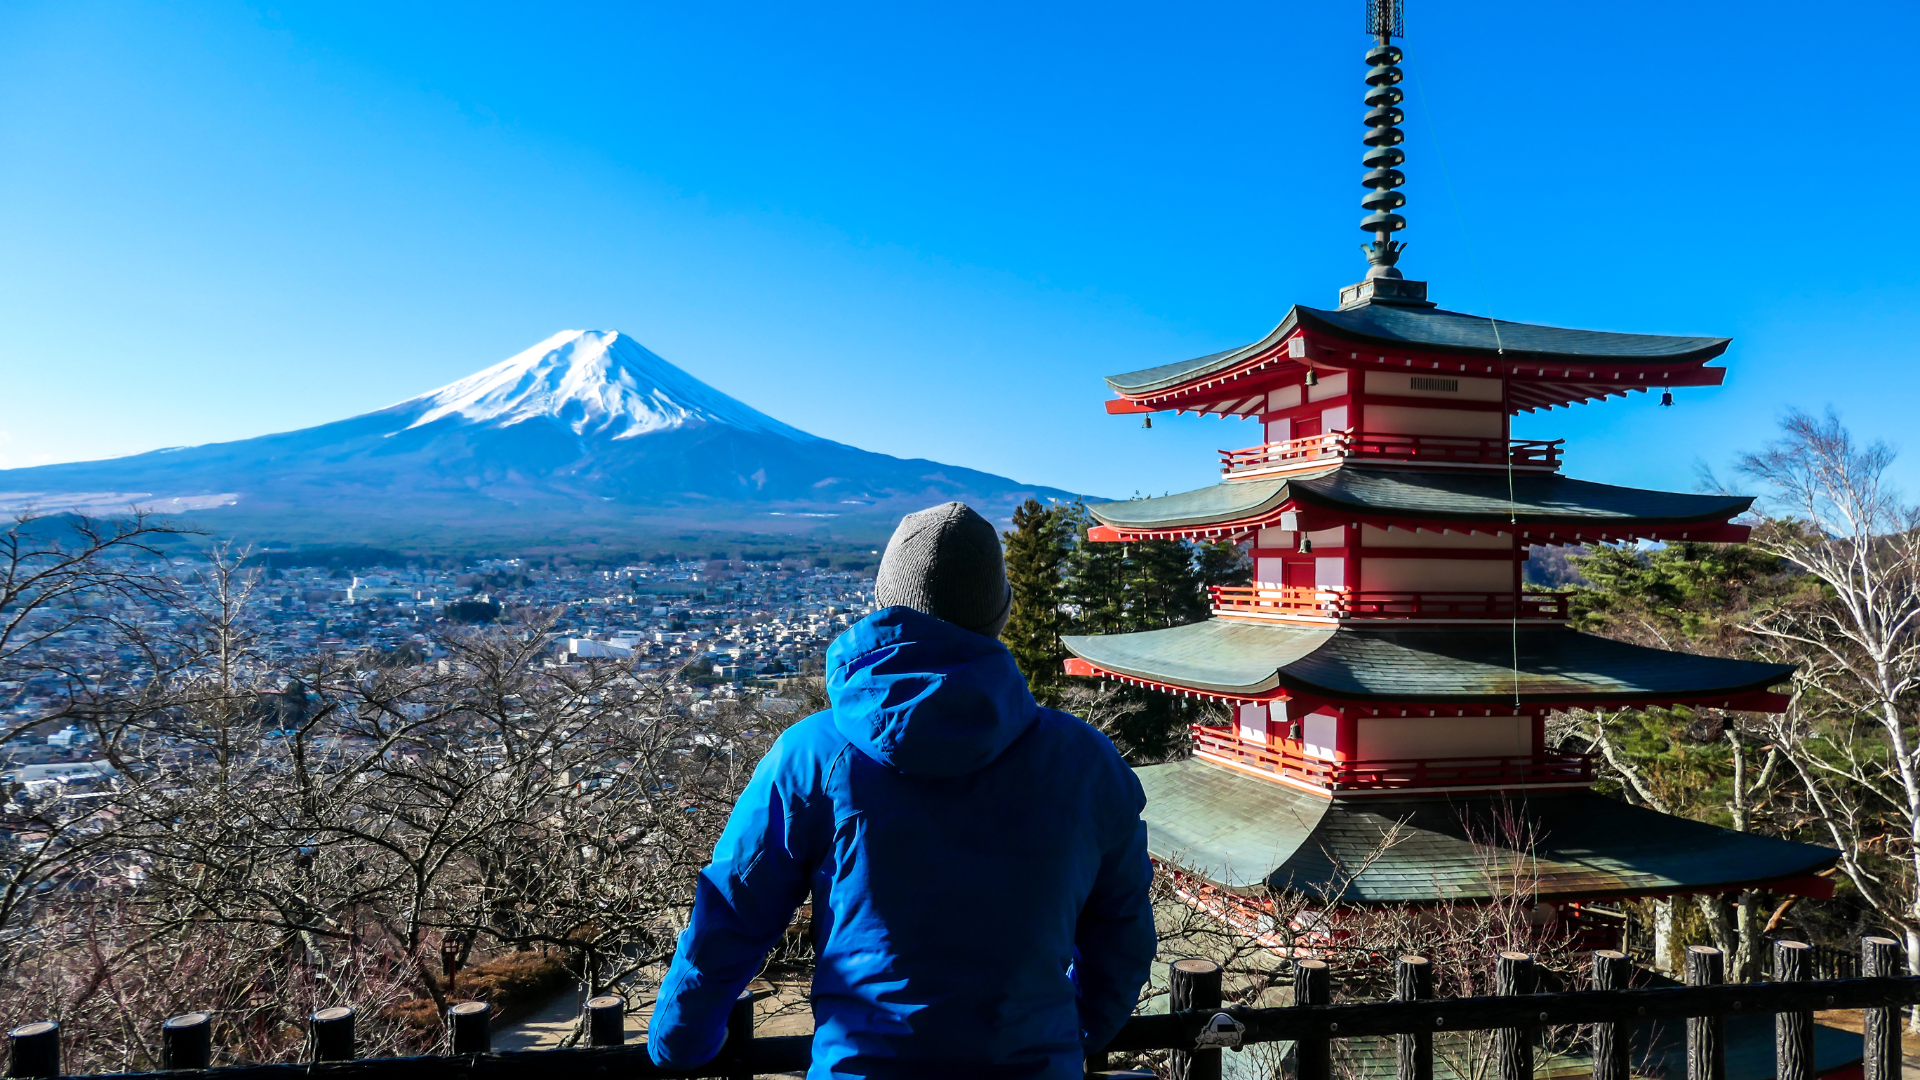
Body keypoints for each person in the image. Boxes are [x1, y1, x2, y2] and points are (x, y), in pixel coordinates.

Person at [647, 501, 1156, 1080]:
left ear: (883, 607)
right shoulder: (1084, 761)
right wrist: (1076, 1030)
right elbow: (1122, 929)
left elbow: (733, 911)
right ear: (1000, 615)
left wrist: (679, 1043)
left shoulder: (814, 754)